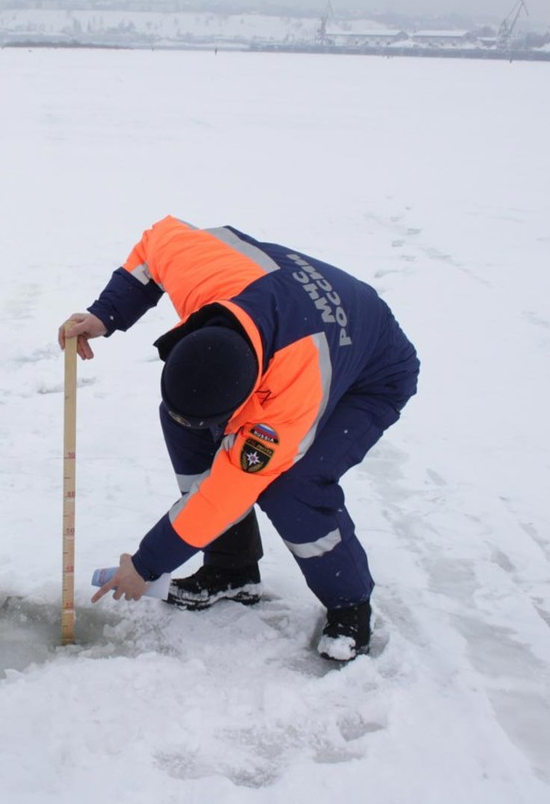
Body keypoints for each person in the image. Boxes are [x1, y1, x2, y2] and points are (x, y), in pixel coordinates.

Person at [58, 216, 419, 662]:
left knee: (293, 487)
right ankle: (232, 571)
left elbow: (225, 494)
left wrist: (148, 563)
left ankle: (350, 606)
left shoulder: (285, 404)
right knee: (183, 420)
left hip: (369, 372)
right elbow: (155, 245)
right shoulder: (197, 272)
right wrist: (106, 315)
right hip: (290, 319)